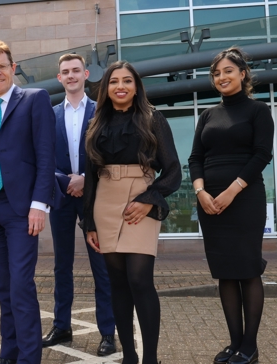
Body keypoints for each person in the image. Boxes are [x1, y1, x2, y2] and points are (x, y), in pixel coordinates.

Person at [84, 60, 181, 364]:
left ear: (136, 86)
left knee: (139, 280)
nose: (121, 86)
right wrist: (88, 221)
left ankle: (150, 358)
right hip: (105, 199)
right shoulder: (96, 123)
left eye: (127, 81)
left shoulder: (153, 119)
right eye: (114, 82)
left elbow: (174, 171)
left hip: (141, 198)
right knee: (117, 282)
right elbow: (89, 176)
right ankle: (129, 356)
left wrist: (150, 199)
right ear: (106, 88)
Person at [0, 39, 55, 364]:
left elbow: (46, 157)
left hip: (22, 210)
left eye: (2, 66)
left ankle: (29, 358)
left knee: (20, 286)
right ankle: (10, 353)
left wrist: (39, 204)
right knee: (3, 288)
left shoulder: (35, 100)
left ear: (12, 67)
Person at [188, 47, 273, 364]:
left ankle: (250, 346)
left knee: (247, 270)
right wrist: (201, 192)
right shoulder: (207, 115)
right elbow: (195, 158)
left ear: (243, 74)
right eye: (216, 73)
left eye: (227, 71)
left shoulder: (258, 111)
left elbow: (261, 155)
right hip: (210, 204)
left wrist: (231, 191)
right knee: (225, 272)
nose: (221, 77)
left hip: (245, 200)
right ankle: (234, 343)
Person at [42, 53, 116, 356]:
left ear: (86, 74)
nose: (71, 76)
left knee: (101, 266)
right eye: (65, 72)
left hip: (94, 198)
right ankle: (62, 326)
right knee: (62, 266)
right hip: (61, 197)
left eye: (75, 70)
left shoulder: (103, 112)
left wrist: (85, 178)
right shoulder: (49, 114)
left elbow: (110, 155)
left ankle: (108, 332)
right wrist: (66, 180)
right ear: (59, 78)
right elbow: (43, 156)